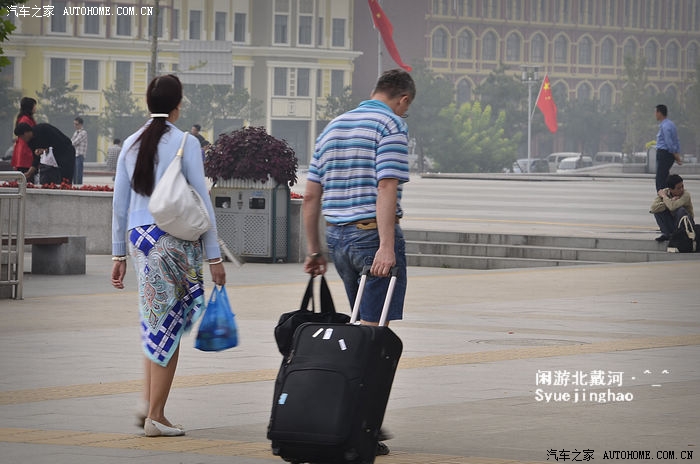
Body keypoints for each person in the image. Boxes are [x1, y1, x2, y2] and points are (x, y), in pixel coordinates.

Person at [302, 68, 415, 456]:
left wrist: (314, 250)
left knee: (361, 329)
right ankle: (356, 424)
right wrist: (386, 246)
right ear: (403, 99)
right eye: (407, 107)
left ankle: (357, 418)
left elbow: (311, 196)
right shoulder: (391, 125)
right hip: (370, 237)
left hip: (337, 238)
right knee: (371, 339)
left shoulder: (333, 126)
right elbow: (386, 186)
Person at [111, 74, 226, 438]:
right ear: (178, 106)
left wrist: (118, 255)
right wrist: (214, 256)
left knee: (154, 320)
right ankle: (156, 416)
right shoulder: (185, 142)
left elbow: (119, 205)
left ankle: (148, 403)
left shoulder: (130, 143)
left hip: (139, 240)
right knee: (169, 327)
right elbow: (201, 200)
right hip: (171, 241)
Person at [650, 174, 694, 242]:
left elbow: (672, 207)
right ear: (670, 189)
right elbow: (653, 208)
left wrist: (664, 197)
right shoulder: (665, 192)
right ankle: (667, 234)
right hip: (673, 224)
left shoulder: (686, 194)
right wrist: (669, 200)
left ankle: (681, 235)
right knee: (658, 211)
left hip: (686, 225)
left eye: (682, 186)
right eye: (678, 188)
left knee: (681, 210)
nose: (681, 189)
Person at [654, 104, 681, 191]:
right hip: (668, 154)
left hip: (664, 154)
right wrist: (676, 153)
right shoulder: (671, 124)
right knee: (665, 177)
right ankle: (668, 195)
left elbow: (668, 141)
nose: (655, 114)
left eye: (655, 112)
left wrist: (675, 153)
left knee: (660, 179)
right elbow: (676, 140)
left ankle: (662, 197)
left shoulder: (665, 126)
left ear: (659, 113)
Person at [11, 97, 37, 177]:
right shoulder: (25, 120)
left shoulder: (26, 118)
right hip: (26, 153)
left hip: (25, 152)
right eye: (34, 106)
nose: (35, 108)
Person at [71, 117, 88, 185]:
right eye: (74, 124)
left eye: (76, 124)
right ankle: (75, 186)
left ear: (81, 124)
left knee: (78, 173)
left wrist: (69, 145)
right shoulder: (76, 132)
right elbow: (71, 141)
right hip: (75, 155)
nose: (75, 126)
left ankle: (78, 186)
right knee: (74, 173)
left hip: (79, 155)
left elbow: (75, 142)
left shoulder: (83, 133)